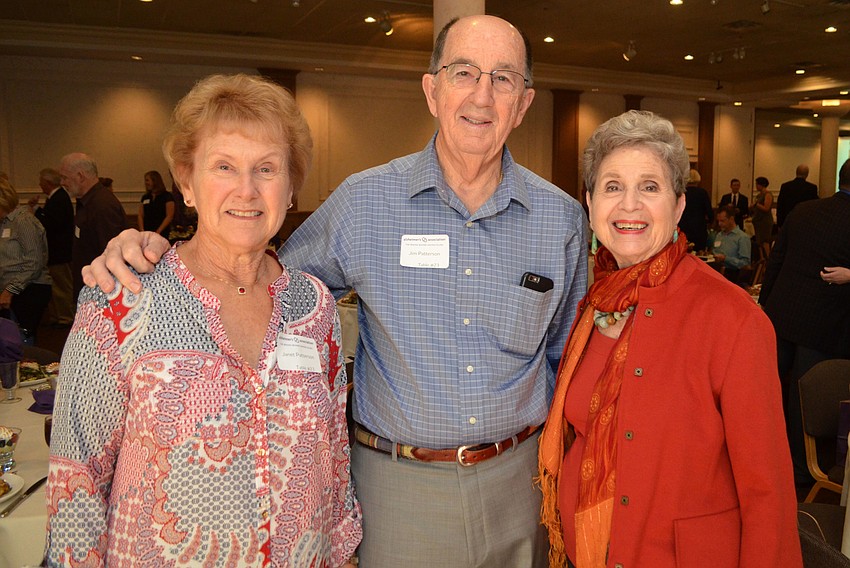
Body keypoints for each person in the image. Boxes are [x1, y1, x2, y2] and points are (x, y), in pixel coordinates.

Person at [83, 15, 587, 568]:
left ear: (525, 102)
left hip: (520, 487)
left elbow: (570, 363)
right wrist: (154, 252)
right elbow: (257, 273)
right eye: (463, 72)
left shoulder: (561, 220)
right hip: (399, 490)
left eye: (504, 78)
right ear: (432, 90)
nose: (482, 95)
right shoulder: (363, 203)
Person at [45, 74, 362, 567]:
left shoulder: (313, 305)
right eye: (224, 166)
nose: (247, 189)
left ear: (293, 185)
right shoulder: (121, 298)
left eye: (267, 168)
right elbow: (76, 483)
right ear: (187, 182)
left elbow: (334, 462)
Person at [537, 110, 801, 568]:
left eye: (650, 187)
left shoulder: (733, 319)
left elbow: (768, 495)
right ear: (589, 201)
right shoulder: (594, 304)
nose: (629, 205)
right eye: (613, 186)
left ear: (679, 206)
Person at [759, 158, 850, 487]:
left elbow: (776, 262)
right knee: (805, 404)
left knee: (768, 392)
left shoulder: (803, 211)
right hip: (825, 327)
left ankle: (761, 459)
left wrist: (764, 307)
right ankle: (800, 475)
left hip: (781, 316)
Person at [59, 153, 127, 298]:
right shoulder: (85, 202)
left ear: (80, 176)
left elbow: (112, 254)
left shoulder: (102, 205)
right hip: (89, 289)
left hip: (101, 292)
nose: (62, 182)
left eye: (65, 177)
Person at [0, 179, 52, 345]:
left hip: (29, 290)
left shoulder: (24, 221)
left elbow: (34, 263)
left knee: (21, 344)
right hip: (12, 291)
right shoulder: (5, 223)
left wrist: (9, 291)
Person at [29, 168, 75, 327]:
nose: (40, 185)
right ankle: (58, 316)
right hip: (57, 251)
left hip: (59, 252)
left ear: (48, 183)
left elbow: (51, 224)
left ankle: (65, 318)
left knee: (62, 287)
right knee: (56, 287)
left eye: (41, 182)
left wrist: (36, 210)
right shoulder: (57, 197)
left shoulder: (59, 198)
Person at [711, 205, 752, 284]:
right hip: (716, 271)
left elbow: (745, 264)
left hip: (733, 275)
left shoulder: (742, 237)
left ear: (731, 219)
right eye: (718, 221)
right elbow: (715, 251)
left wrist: (726, 259)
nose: (719, 224)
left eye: (723, 221)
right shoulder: (719, 235)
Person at [677, 168, 712, 252]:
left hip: (683, 229)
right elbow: (710, 213)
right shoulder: (703, 193)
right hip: (699, 229)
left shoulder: (681, 193)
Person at [776, 163, 818, 227]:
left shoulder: (785, 186)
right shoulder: (812, 188)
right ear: (807, 174)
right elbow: (814, 206)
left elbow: (780, 205)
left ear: (796, 172)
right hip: (805, 221)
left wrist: (780, 224)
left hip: (788, 220)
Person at [137, 169, 175, 237]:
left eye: (147, 180)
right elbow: (140, 215)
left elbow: (169, 216)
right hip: (147, 232)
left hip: (162, 232)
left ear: (155, 181)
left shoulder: (167, 196)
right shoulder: (145, 197)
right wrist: (142, 230)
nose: (146, 183)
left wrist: (158, 231)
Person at [749, 175, 774, 261]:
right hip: (758, 221)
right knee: (759, 241)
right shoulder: (759, 195)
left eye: (757, 184)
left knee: (765, 241)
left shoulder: (768, 194)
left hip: (765, 221)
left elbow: (766, 208)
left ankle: (768, 259)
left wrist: (756, 205)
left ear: (761, 185)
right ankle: (761, 258)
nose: (756, 186)